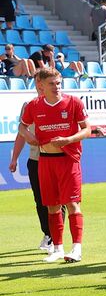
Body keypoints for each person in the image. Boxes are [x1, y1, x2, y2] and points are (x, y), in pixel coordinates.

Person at [19, 68, 92, 263]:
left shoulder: (73, 102)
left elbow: (87, 130)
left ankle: (77, 248)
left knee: (73, 204)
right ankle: (57, 248)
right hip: (45, 161)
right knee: (52, 206)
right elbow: (22, 126)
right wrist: (29, 136)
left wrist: (68, 139)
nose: (56, 87)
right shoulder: (34, 105)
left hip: (68, 160)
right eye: (52, 83)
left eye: (58, 83)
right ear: (41, 85)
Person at [11, 84, 62, 253]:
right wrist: (14, 158)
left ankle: (56, 239)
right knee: (40, 200)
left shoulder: (63, 103)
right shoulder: (29, 106)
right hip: (36, 159)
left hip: (57, 159)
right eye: (39, 85)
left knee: (59, 201)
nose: (42, 88)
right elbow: (21, 132)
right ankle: (48, 234)